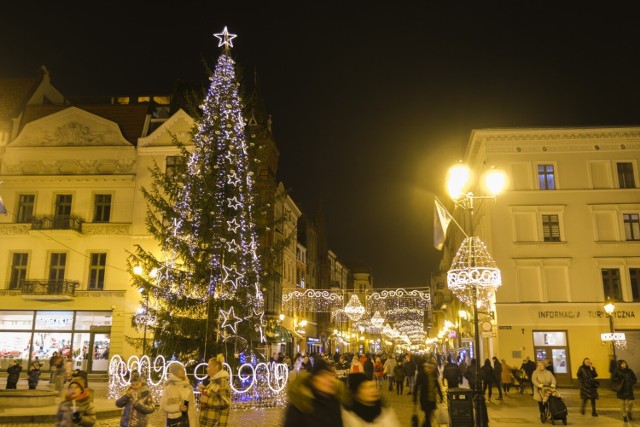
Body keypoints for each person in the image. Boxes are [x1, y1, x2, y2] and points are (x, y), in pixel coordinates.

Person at [283, 357, 345, 427]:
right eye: (323, 376)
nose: (328, 380)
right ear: (315, 379)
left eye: (329, 375)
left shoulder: (334, 401)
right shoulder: (301, 402)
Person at [198, 358, 231, 427]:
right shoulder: (214, 381)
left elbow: (225, 403)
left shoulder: (221, 382)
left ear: (216, 368)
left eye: (209, 366)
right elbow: (215, 394)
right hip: (209, 421)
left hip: (214, 423)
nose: (207, 369)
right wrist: (204, 389)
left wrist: (207, 400)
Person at [413, 360, 444, 427]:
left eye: (430, 368)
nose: (428, 369)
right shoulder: (421, 375)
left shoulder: (434, 375)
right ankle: (427, 425)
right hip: (424, 399)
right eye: (427, 367)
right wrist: (415, 398)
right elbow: (416, 387)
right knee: (427, 415)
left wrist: (441, 396)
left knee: (430, 415)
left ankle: (424, 425)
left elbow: (437, 386)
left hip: (432, 399)